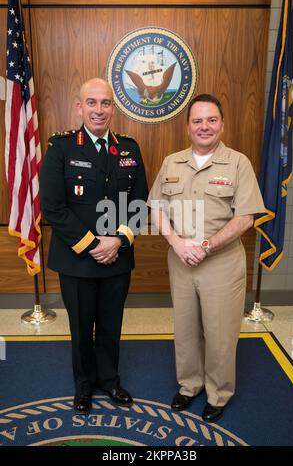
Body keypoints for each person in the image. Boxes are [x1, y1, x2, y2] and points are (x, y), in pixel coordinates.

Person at [147, 94, 265, 422]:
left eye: (211, 120)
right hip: (181, 260)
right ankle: (189, 386)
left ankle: (218, 392)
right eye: (197, 121)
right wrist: (177, 243)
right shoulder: (172, 162)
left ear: (222, 124)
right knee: (185, 329)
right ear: (187, 127)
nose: (204, 127)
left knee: (220, 333)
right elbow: (155, 207)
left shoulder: (237, 163)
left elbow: (245, 218)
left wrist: (206, 246)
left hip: (221, 263)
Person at [40, 78, 148, 414]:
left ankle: (109, 381)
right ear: (79, 106)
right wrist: (92, 245)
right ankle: (84, 386)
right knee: (81, 326)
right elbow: (53, 207)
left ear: (113, 108)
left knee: (111, 323)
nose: (98, 110)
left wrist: (116, 240)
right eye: (91, 102)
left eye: (105, 103)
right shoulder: (61, 148)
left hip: (117, 256)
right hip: (77, 260)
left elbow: (140, 201)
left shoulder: (129, 148)